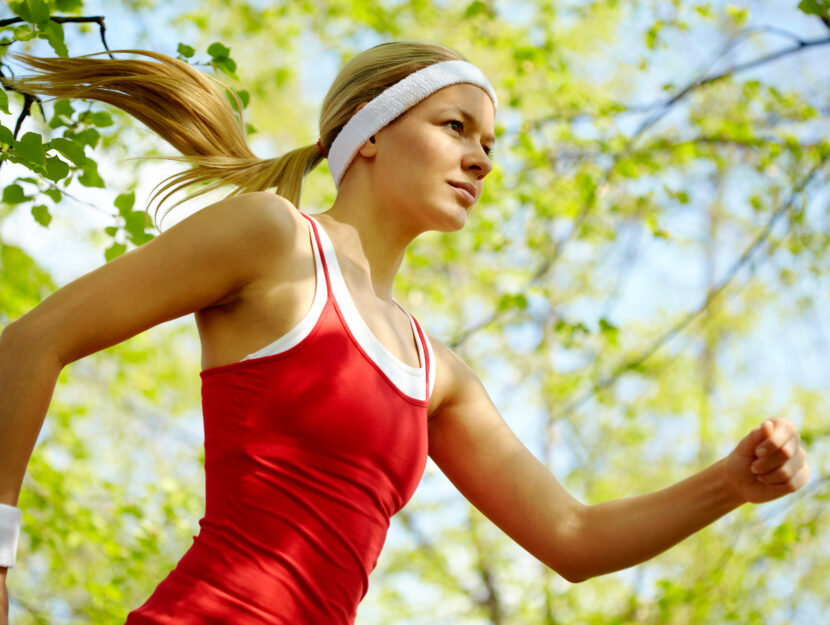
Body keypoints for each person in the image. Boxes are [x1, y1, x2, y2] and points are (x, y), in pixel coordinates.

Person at [0, 41, 810, 624]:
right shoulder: (274, 239)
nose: (481, 158)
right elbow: (29, 343)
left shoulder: (438, 373)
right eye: (456, 126)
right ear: (371, 132)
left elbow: (573, 536)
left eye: (489, 143)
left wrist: (731, 484)